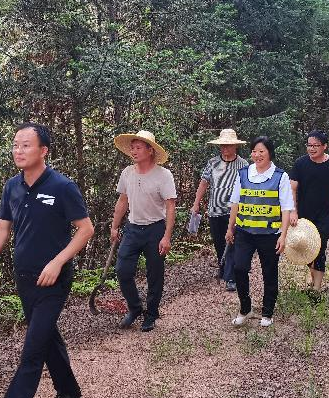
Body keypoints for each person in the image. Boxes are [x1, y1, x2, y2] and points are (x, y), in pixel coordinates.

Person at [0, 123, 94, 398]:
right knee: (46, 336)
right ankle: (69, 394)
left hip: (53, 281)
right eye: (15, 145)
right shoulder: (12, 187)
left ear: (43, 151)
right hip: (25, 280)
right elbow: (2, 229)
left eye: (25, 145)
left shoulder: (62, 186)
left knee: (32, 351)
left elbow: (85, 229)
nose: (18, 151)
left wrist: (57, 262)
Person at [111, 130, 176, 332]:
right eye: (132, 148)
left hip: (155, 229)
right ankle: (135, 307)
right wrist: (114, 226)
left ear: (150, 150)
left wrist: (166, 236)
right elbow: (123, 200)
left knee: (154, 274)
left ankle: (151, 313)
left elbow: (170, 206)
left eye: (138, 147)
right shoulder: (127, 173)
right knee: (122, 270)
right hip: (132, 228)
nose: (134, 151)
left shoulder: (163, 175)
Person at [225, 136, 294, 327]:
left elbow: (286, 208)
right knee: (239, 268)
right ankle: (245, 308)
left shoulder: (281, 176)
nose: (257, 155)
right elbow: (235, 203)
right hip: (245, 232)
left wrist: (283, 235)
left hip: (269, 234)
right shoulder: (243, 174)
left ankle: (268, 311)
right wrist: (230, 228)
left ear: (270, 153)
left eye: (261, 151)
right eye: (254, 151)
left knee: (269, 272)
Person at [289, 130, 329, 304]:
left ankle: (316, 289)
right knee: (306, 247)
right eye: (309, 145)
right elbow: (292, 188)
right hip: (305, 216)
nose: (312, 149)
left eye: (315, 145)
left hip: (326, 214)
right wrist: (293, 211)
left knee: (319, 247)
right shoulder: (300, 164)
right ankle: (313, 276)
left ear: (324, 146)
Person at [190, 129, 249, 292]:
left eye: (228, 145)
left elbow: (247, 186)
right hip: (215, 210)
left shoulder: (243, 164)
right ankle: (224, 269)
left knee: (232, 242)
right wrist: (196, 204)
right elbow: (204, 183)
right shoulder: (212, 162)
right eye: (222, 145)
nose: (225, 148)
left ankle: (231, 277)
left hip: (234, 211)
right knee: (219, 242)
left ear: (235, 146)